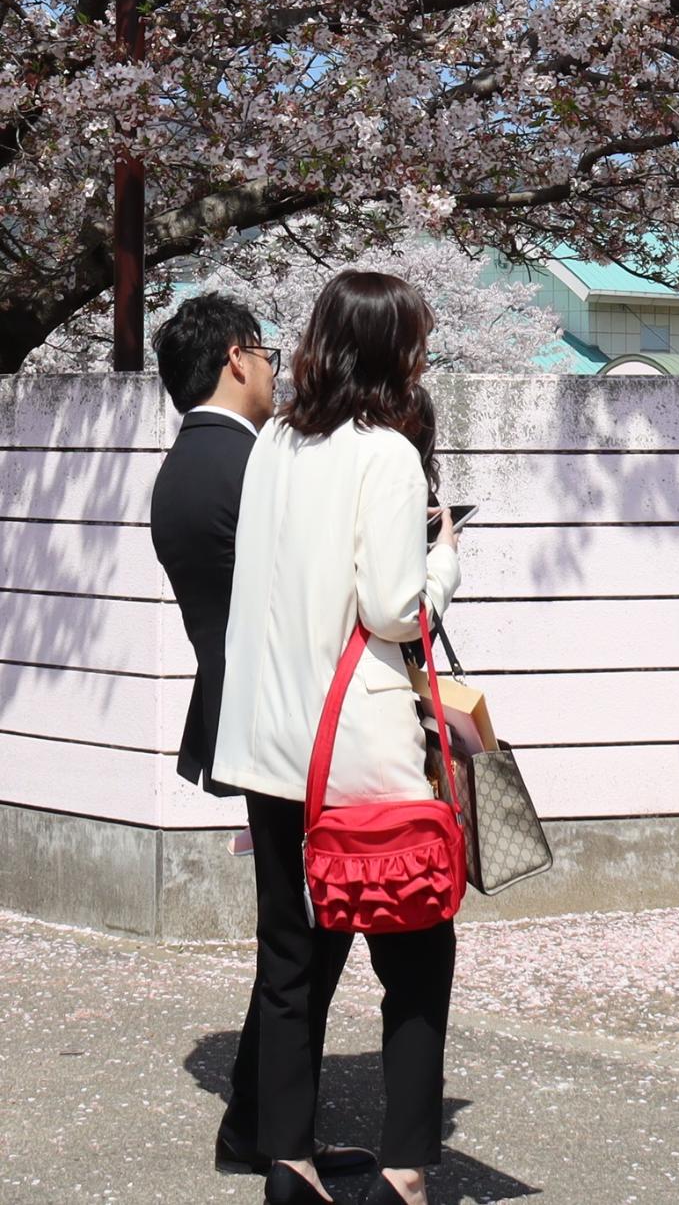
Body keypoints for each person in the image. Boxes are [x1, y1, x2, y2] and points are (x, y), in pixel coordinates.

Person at [211, 272, 462, 1205]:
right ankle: (403, 1171)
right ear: (393, 351)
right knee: (416, 959)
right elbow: (394, 609)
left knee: (288, 961)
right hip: (355, 751)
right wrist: (445, 563)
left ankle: (290, 1163)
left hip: (269, 744)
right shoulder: (387, 455)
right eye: (418, 341)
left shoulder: (273, 442)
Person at [149, 296, 376, 1184]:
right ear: (235, 359)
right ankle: (270, 1137)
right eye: (266, 352)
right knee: (307, 943)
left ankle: (259, 1122)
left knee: (303, 940)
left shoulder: (187, 464)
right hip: (291, 725)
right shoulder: (254, 465)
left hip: (241, 714)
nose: (276, 369)